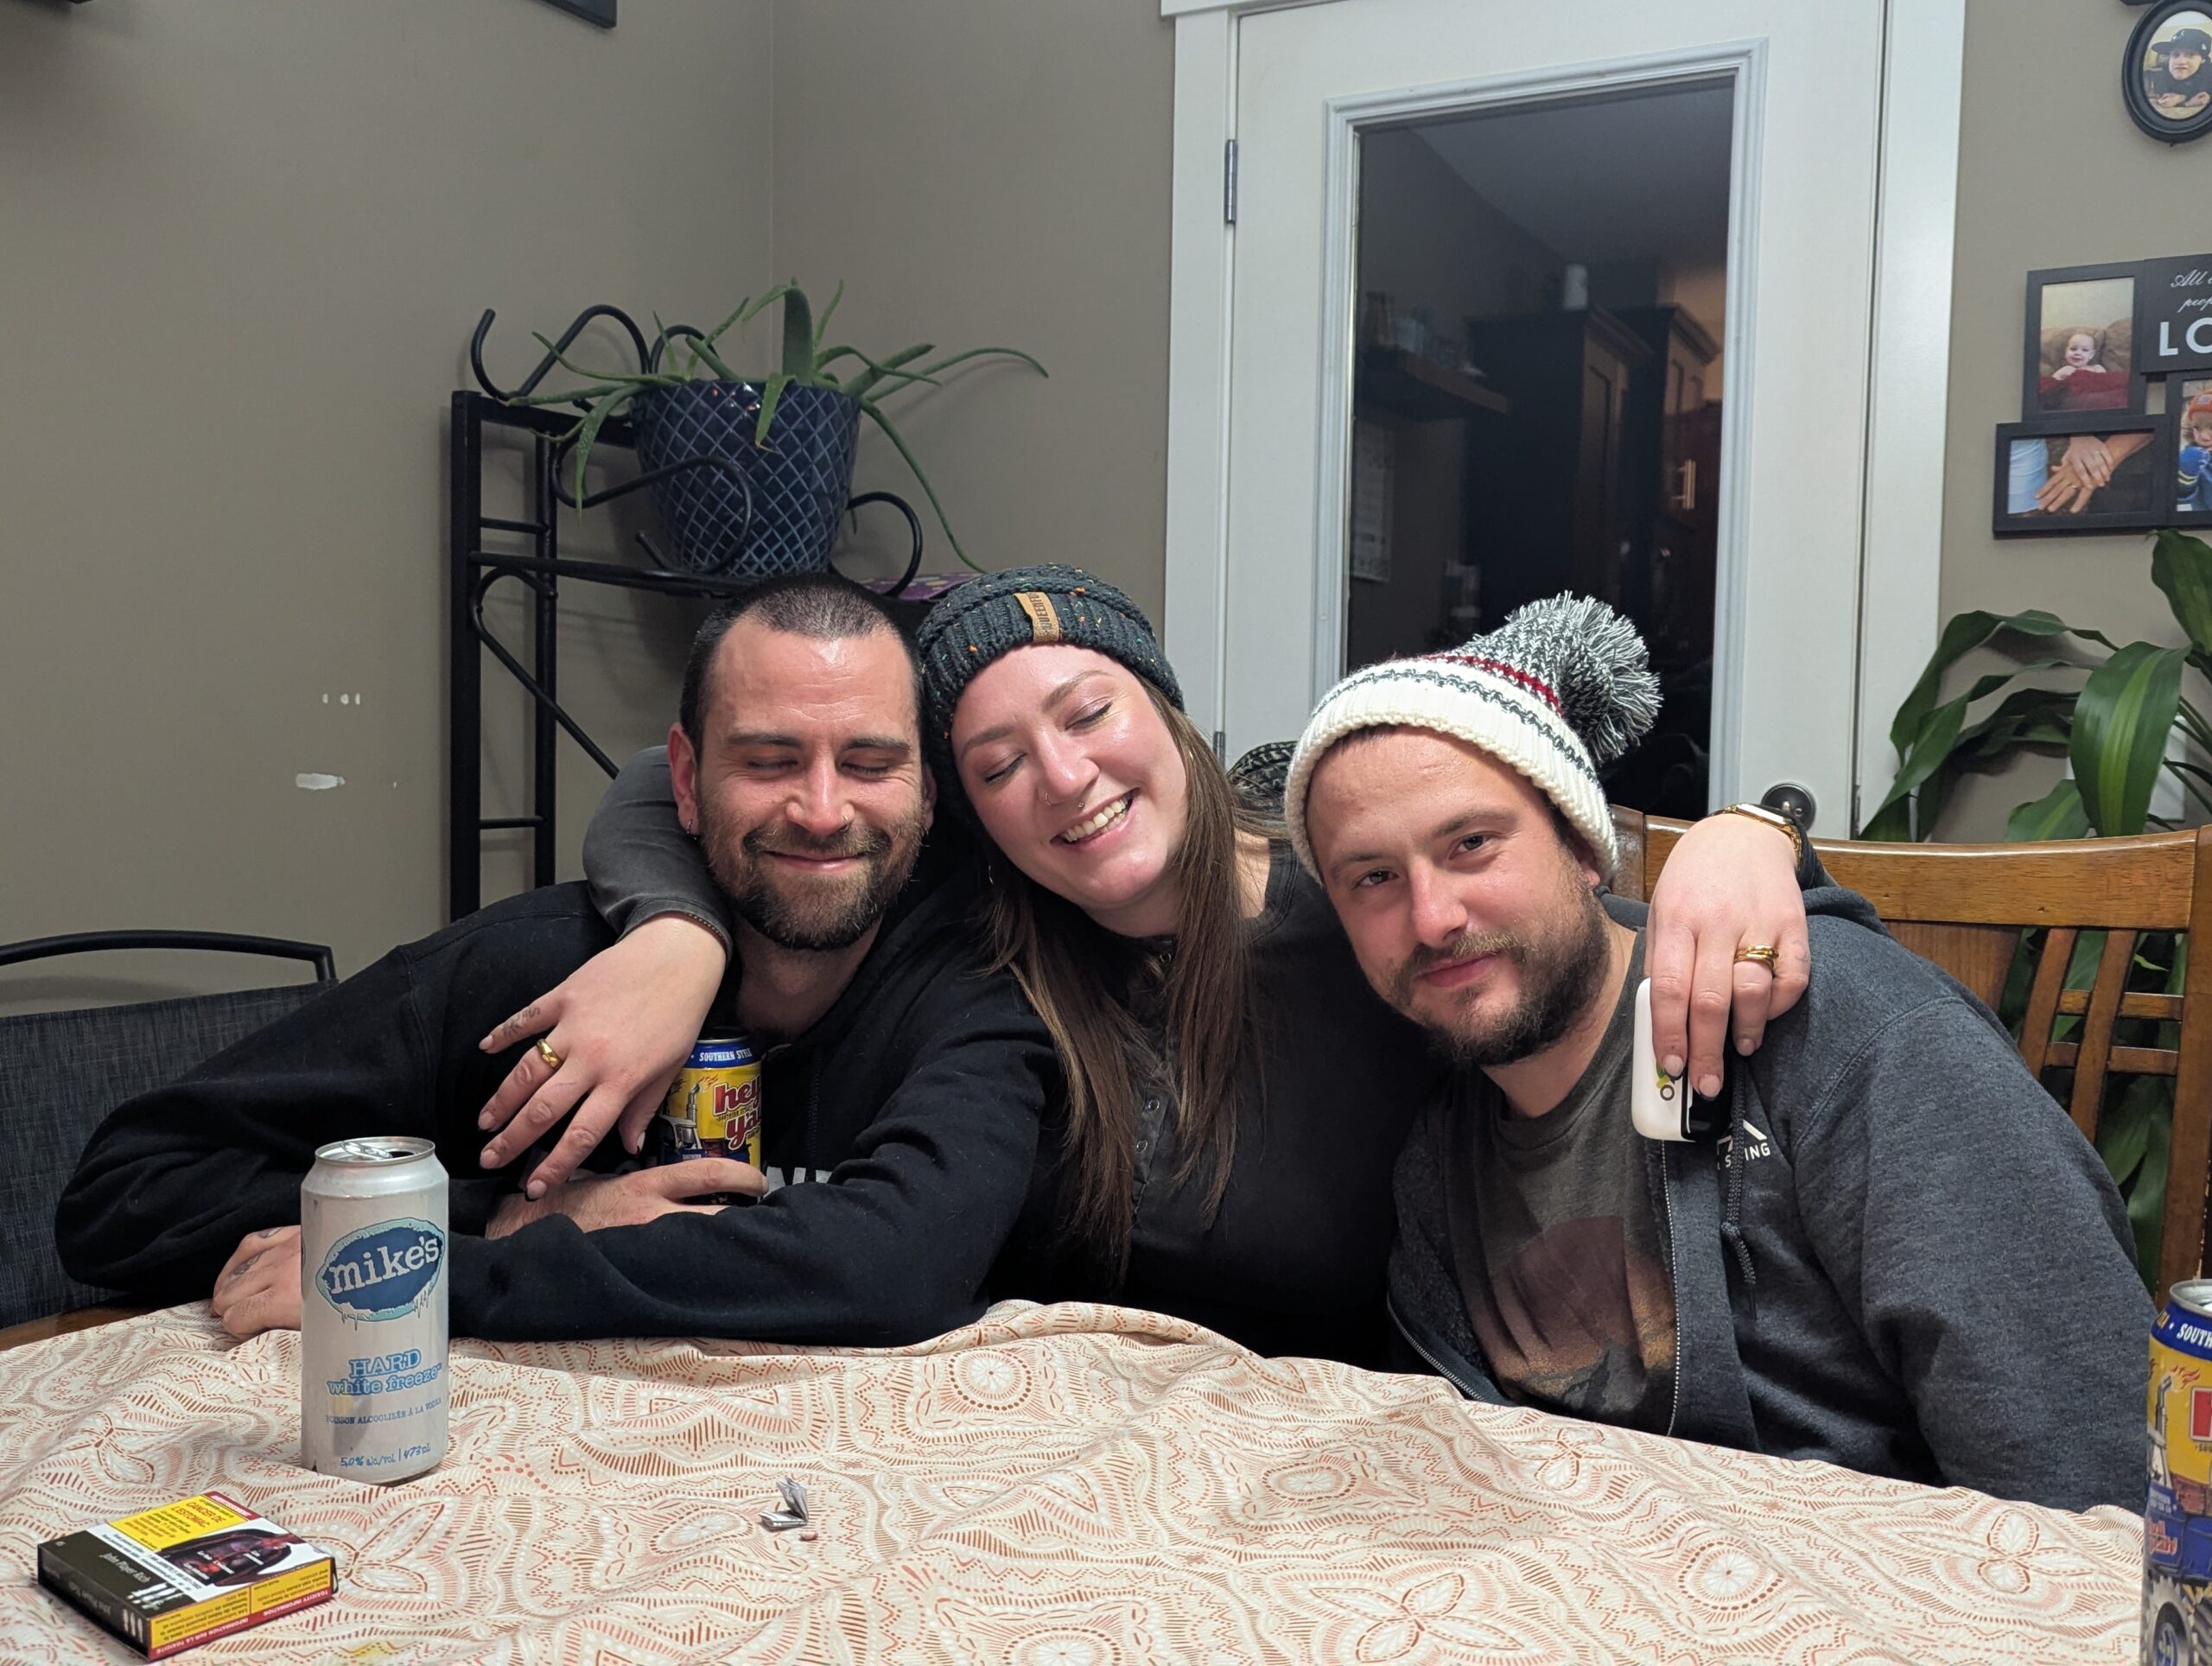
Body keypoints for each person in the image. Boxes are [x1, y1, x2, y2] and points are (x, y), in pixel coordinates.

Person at [495, 564, 1817, 1365]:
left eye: (1089, 714)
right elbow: (660, 784)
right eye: (999, 764)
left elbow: (1597, 929)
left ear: (1167, 713)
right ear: (968, 812)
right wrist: (679, 937)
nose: (1063, 779)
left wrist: (1754, 837)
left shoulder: (1366, 893)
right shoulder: (986, 943)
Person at [1283, 598, 2152, 1511]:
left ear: (1583, 843)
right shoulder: (1430, 1140)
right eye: (1373, 877)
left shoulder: (1843, 1035)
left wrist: (1759, 830)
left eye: (1471, 843)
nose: (1432, 917)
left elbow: (2094, 1483)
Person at [56, 575, 1059, 1345]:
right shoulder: (527, 966)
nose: (823, 807)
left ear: (931, 793)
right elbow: (123, 1194)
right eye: (767, 759)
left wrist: (477, 1267)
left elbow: (898, 1265)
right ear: (684, 777)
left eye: (872, 763)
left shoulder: (975, 989)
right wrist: (491, 1213)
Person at [2036, 328, 2126, 413]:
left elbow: (2106, 382)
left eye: (2085, 350)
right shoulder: (2065, 370)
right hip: (2074, 400)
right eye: (2073, 349)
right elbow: (2051, 386)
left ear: (2091, 355)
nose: (2078, 353)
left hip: (2093, 399)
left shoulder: (2096, 368)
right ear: (2066, 352)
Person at [2149, 26, 2212, 118]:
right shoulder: (2161, 74)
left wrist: (2183, 100)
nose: (2181, 61)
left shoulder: (2208, 75)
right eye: (2175, 55)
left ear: (2203, 60)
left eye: (2190, 55)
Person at [2179, 393, 2212, 513]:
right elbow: (2178, 498)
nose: (2204, 437)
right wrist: (2185, 475)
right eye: (2197, 427)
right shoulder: (2192, 459)